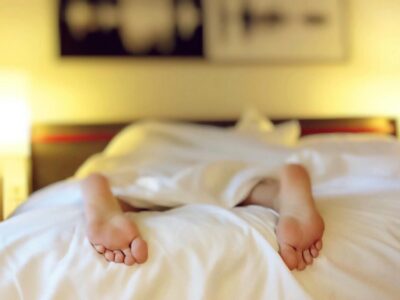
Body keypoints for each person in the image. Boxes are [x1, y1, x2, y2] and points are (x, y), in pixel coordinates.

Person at [82, 163, 324, 271]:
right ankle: (282, 194)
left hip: (149, 174)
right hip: (228, 170)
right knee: (246, 187)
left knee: (138, 190)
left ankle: (104, 196)